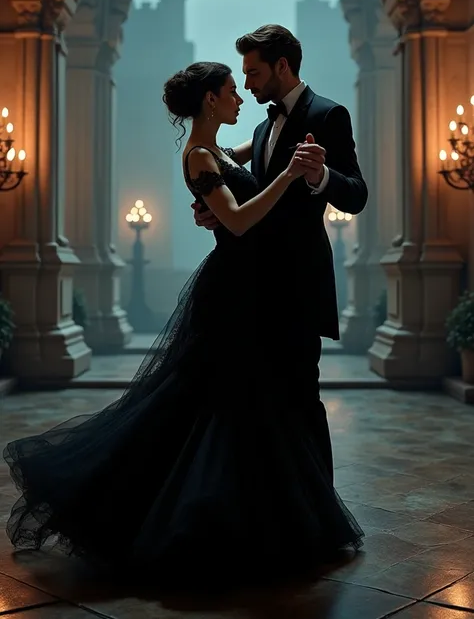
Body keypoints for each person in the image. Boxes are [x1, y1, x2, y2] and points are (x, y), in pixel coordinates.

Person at [3, 60, 363, 592]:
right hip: (233, 293)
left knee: (244, 408)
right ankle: (197, 523)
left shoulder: (220, 150)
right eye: (231, 90)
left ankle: (256, 518)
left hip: (257, 289)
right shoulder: (198, 155)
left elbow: (244, 184)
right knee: (215, 408)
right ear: (210, 101)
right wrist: (287, 177)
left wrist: (271, 179)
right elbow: (238, 220)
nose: (241, 97)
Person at [192, 25, 368, 485]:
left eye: (253, 73)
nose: (247, 85)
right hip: (253, 289)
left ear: (282, 66)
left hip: (299, 283)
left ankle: (319, 508)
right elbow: (239, 193)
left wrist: (321, 177)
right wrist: (212, 210)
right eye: (242, 77)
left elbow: (357, 194)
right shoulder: (260, 126)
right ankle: (271, 505)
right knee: (260, 400)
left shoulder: (330, 115)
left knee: (301, 397)